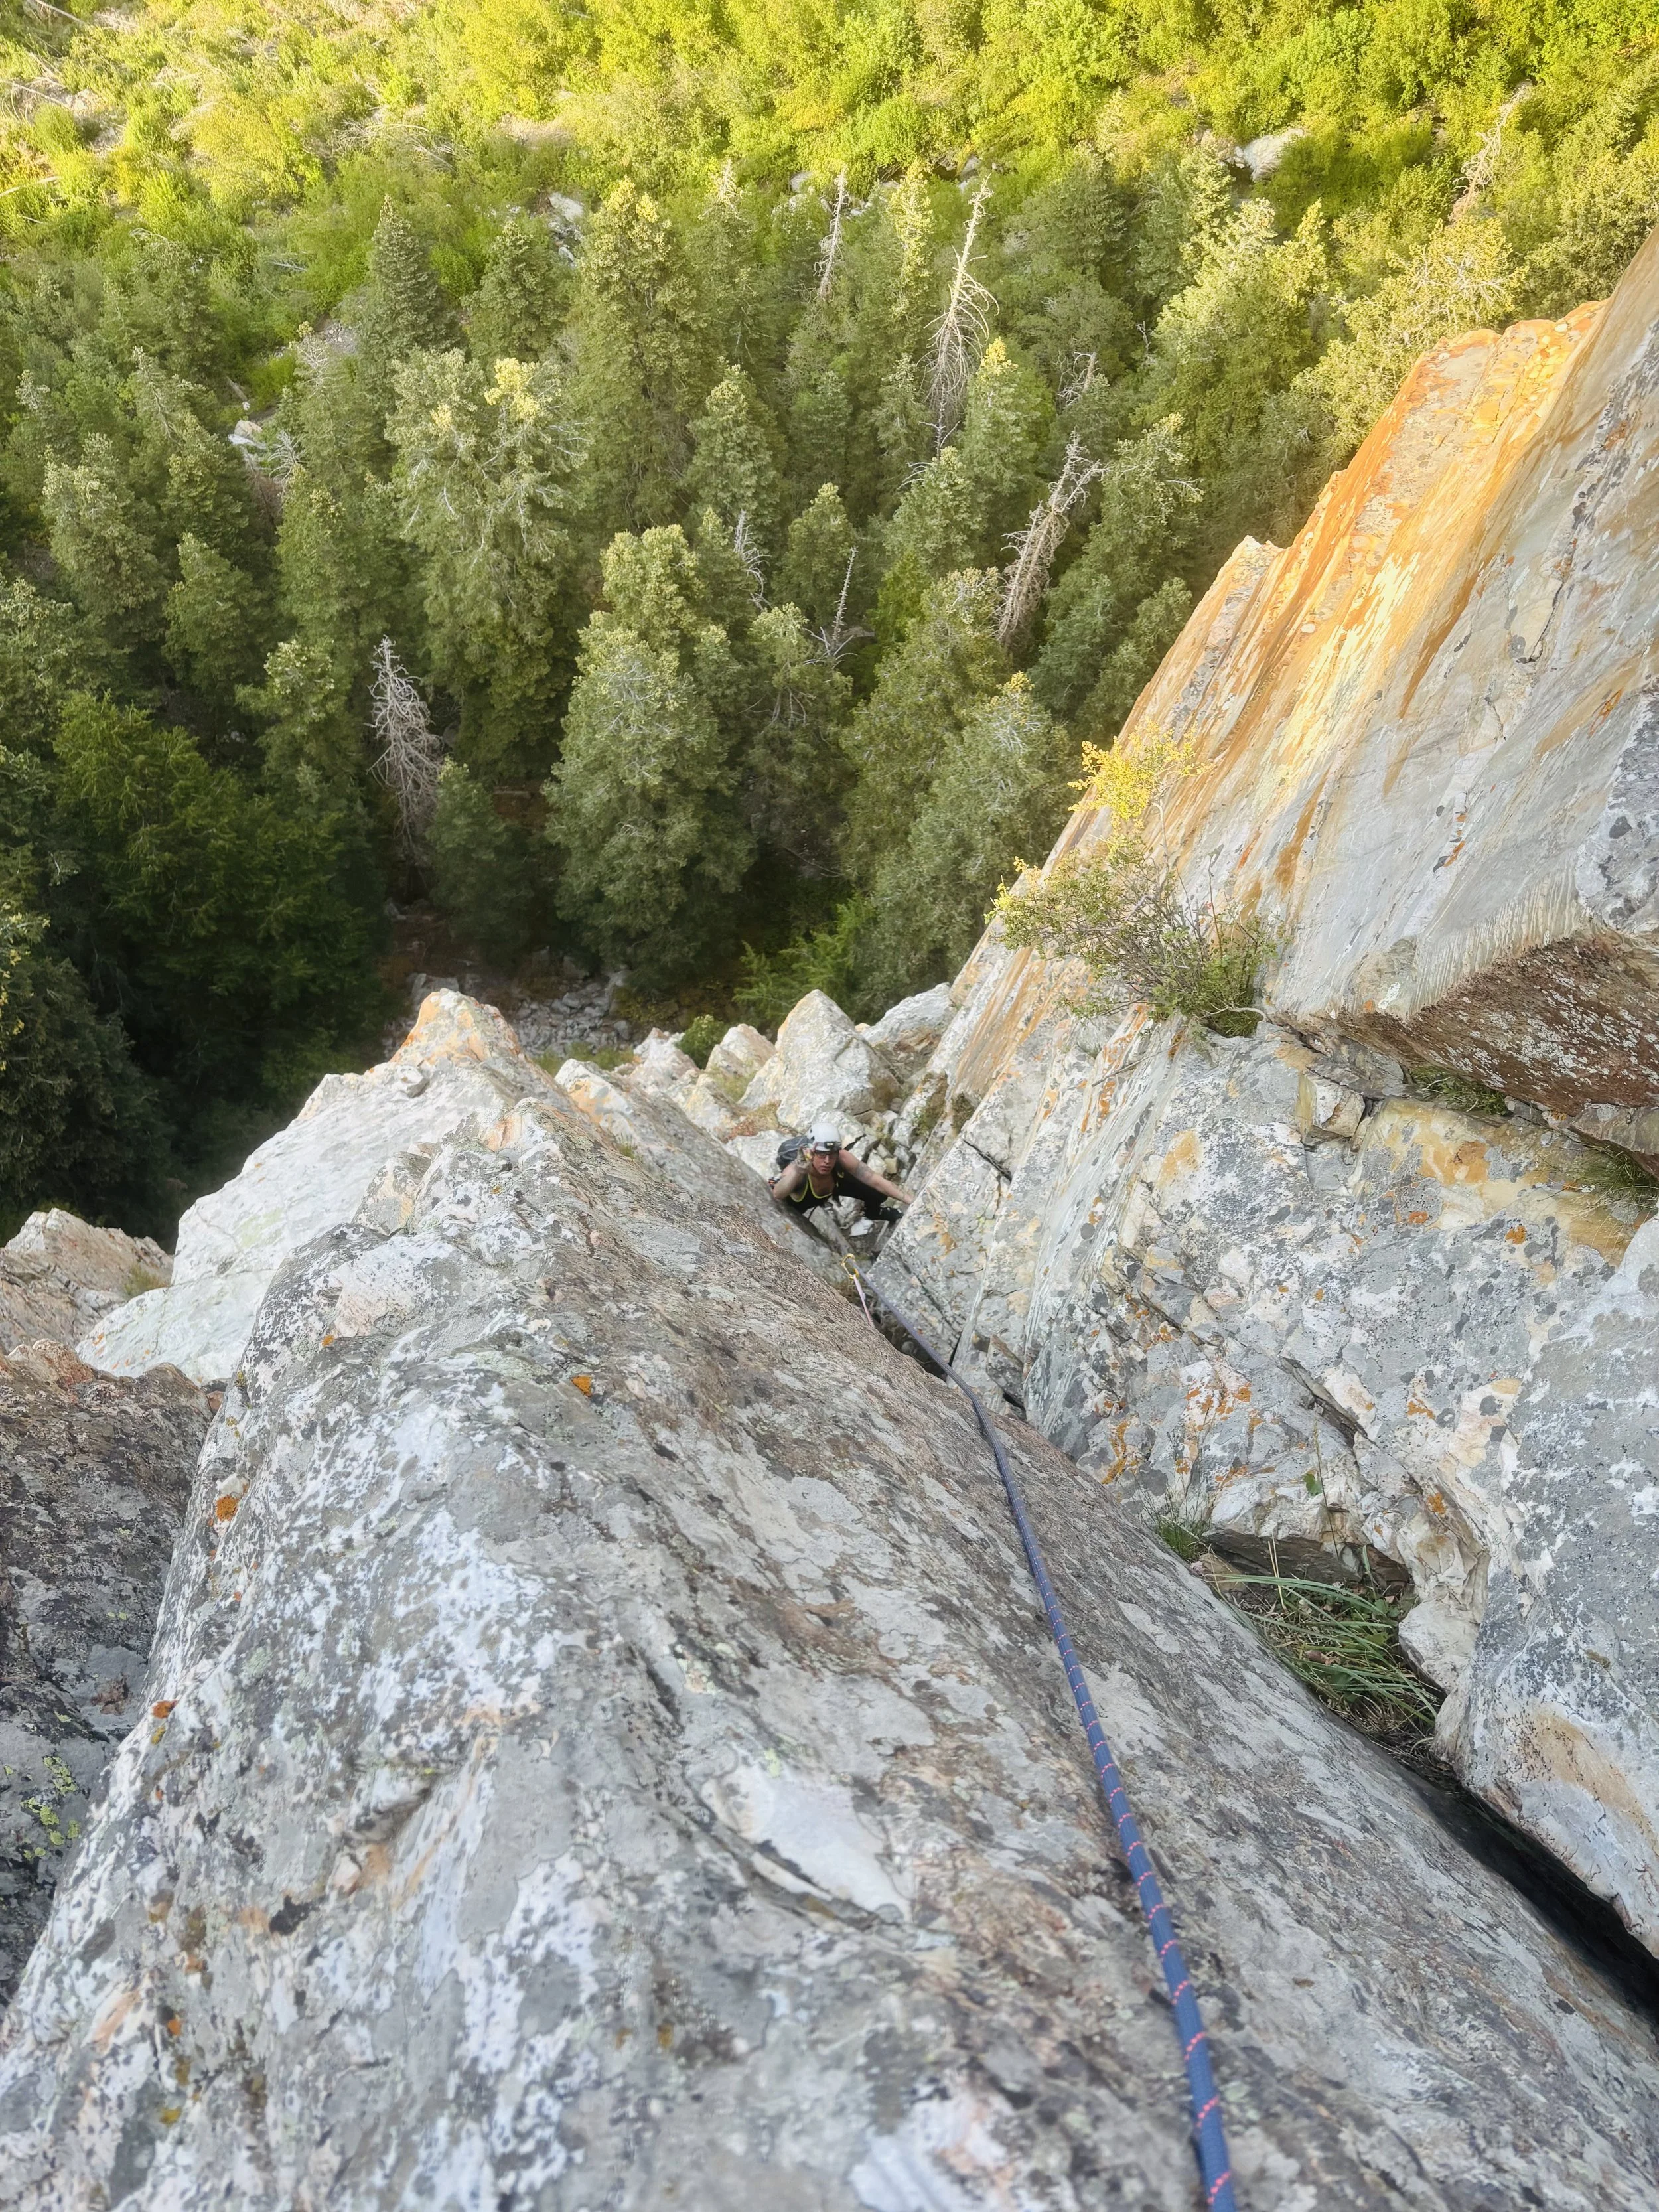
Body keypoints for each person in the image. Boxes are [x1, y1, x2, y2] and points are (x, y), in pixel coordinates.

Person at [769, 1120, 912, 1224]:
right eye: (821, 1154)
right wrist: (799, 1170)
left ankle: (874, 1213)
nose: (827, 1161)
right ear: (811, 1152)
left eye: (832, 1154)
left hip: (836, 1184)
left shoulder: (842, 1158)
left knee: (877, 1192)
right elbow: (778, 1193)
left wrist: (910, 1201)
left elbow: (874, 1179)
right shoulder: (798, 1170)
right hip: (803, 1200)